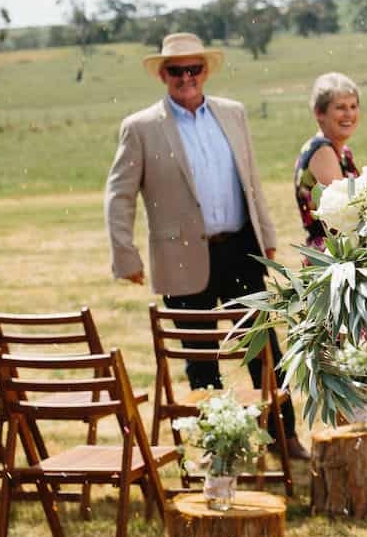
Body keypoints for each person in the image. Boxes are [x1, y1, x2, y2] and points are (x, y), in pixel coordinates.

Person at [104, 32, 305, 459]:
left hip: (240, 248)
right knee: (199, 357)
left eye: (193, 69)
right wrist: (125, 256)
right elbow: (119, 195)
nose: (186, 78)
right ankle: (219, 446)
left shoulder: (233, 114)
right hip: (179, 257)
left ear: (205, 71)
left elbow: (251, 181)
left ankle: (284, 437)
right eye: (176, 71)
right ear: (163, 75)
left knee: (264, 347)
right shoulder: (140, 127)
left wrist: (266, 236)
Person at [295, 72, 362, 251]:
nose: (349, 114)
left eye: (354, 106)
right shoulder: (321, 150)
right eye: (340, 107)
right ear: (319, 112)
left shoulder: (343, 152)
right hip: (331, 258)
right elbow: (345, 213)